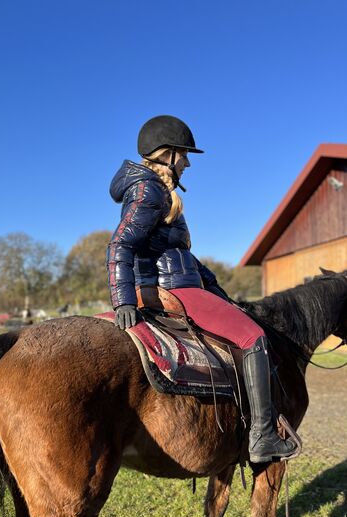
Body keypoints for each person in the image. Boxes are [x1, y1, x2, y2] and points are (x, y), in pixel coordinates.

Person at [106, 115, 298, 463]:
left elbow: (181, 256)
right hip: (175, 290)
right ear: (166, 154)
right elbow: (120, 244)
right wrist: (122, 300)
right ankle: (262, 435)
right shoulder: (149, 190)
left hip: (183, 282)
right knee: (253, 337)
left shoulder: (156, 189)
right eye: (183, 155)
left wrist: (217, 289)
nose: (188, 162)